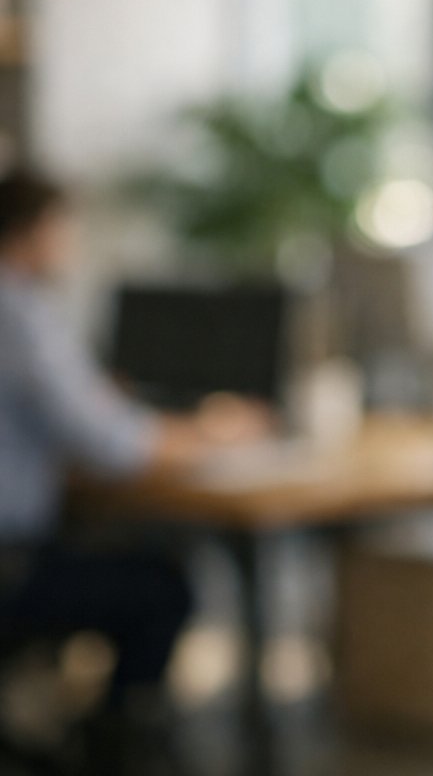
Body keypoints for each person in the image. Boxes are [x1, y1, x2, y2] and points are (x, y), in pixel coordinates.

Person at [0, 167, 270, 773]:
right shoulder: (18, 310)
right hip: (10, 563)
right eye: (66, 228)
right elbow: (112, 443)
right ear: (38, 229)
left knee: (143, 550)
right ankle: (116, 744)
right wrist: (207, 432)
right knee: (163, 581)